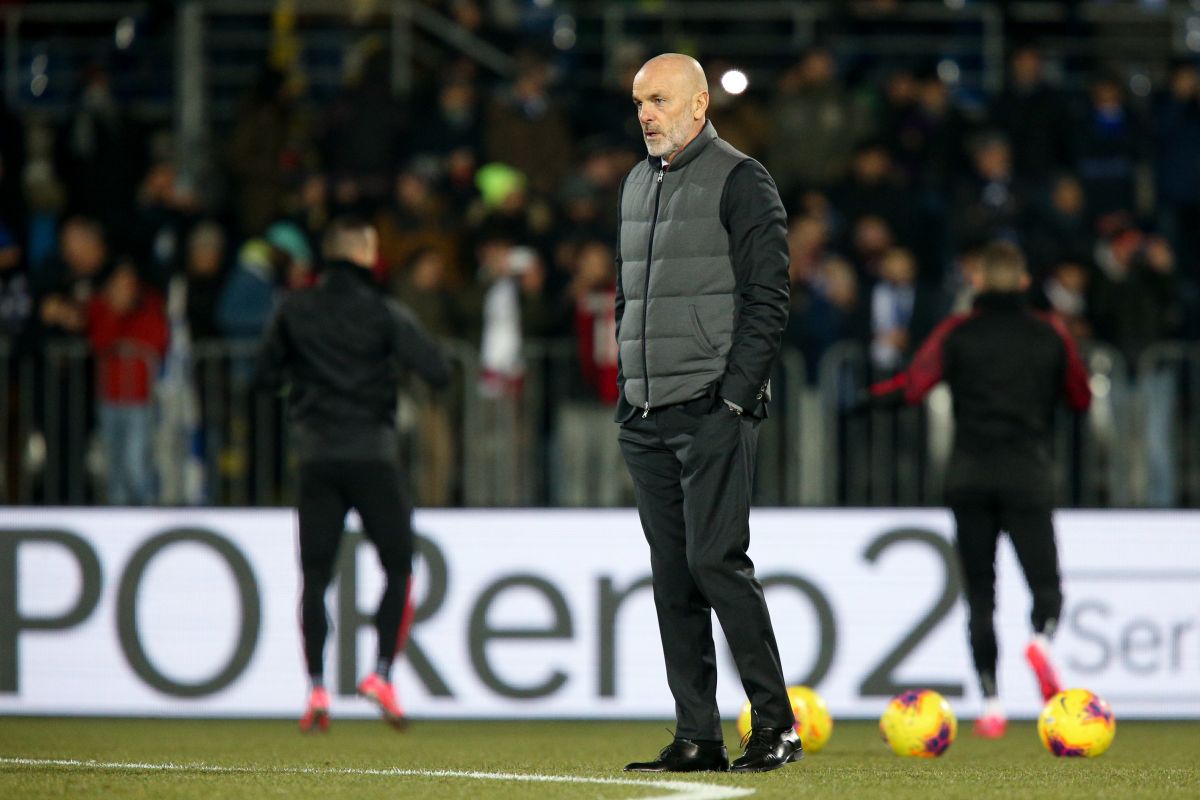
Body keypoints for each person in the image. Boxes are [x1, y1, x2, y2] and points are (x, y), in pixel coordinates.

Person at [614, 53, 799, 774]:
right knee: (673, 577)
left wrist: (735, 397)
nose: (646, 115)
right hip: (646, 412)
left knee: (715, 563)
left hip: (710, 407)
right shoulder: (637, 182)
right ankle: (698, 735)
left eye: (659, 100)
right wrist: (627, 385)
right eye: (639, 103)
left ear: (699, 105)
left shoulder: (741, 178)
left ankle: (776, 725)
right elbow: (630, 295)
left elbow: (768, 296)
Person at [865, 241, 1091, 738]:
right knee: (1046, 586)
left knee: (981, 593)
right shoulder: (1050, 333)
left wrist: (866, 399)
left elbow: (913, 386)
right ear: (1026, 282)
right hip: (1027, 474)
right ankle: (1041, 641)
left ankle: (991, 704)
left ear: (978, 282)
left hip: (968, 476)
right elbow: (1081, 395)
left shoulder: (956, 331)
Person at [255, 217, 450, 732]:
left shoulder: (294, 309)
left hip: (317, 456)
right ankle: (381, 674)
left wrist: (302, 386)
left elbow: (262, 376)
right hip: (373, 456)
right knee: (399, 566)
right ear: (365, 253)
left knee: (315, 577)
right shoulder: (385, 312)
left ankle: (317, 688)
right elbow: (438, 370)